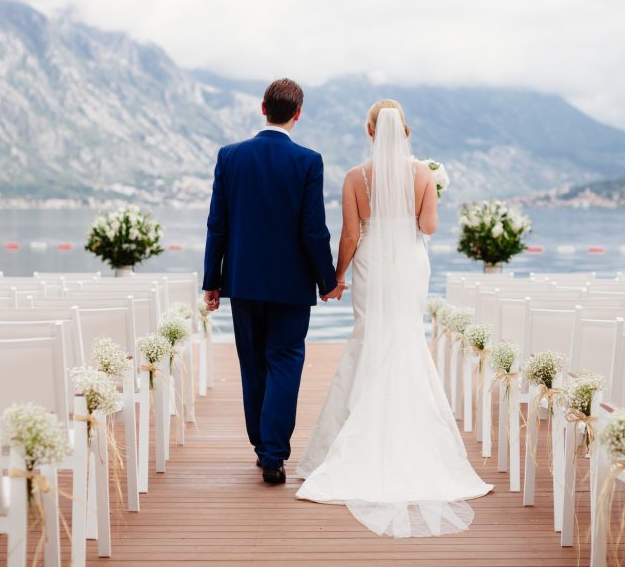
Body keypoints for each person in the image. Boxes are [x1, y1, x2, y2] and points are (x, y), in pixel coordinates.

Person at [295, 100, 492, 537]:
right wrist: (430, 192)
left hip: (370, 264)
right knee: (407, 338)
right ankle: (413, 440)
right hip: (408, 265)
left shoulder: (354, 178)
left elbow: (349, 233)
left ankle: (349, 442)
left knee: (368, 337)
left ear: (370, 131)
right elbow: (429, 227)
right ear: (406, 131)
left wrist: (338, 275)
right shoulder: (422, 174)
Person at [202, 78, 344, 485]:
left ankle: (261, 445)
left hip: (243, 282)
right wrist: (327, 279)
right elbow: (313, 231)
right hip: (291, 285)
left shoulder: (229, 157)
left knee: (253, 363)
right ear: (297, 114)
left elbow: (218, 226)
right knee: (284, 361)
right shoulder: (308, 161)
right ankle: (273, 454)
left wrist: (212, 280)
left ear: (262, 108)